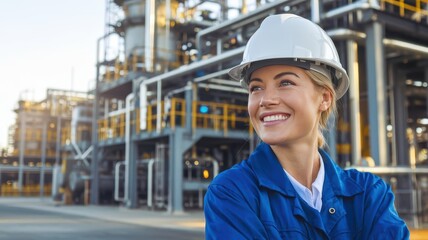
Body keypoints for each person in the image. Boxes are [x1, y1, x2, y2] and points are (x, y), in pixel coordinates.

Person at [204, 14, 410, 239]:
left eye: (285, 83)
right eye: (256, 88)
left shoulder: (369, 194)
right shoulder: (233, 192)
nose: (265, 99)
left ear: (325, 98)